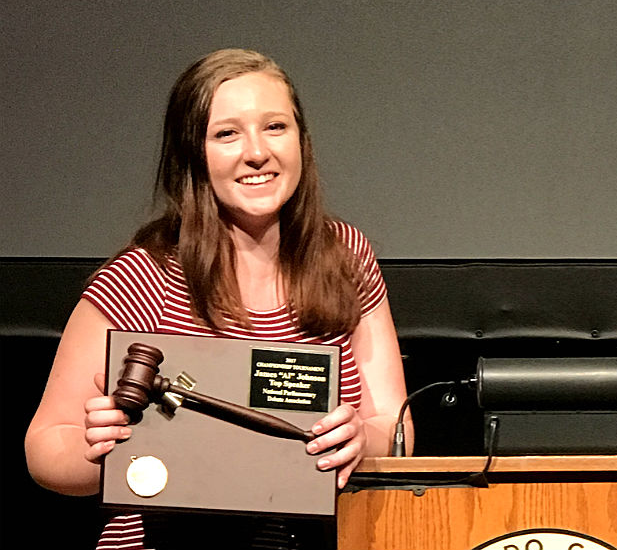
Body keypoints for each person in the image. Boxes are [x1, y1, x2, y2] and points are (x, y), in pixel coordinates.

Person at [23, 48, 413, 549]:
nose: (256, 152)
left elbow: (393, 429)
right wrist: (94, 448)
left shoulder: (346, 257)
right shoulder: (143, 277)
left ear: (301, 140)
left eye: (275, 127)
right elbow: (44, 449)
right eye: (227, 133)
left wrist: (360, 437)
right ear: (193, 153)